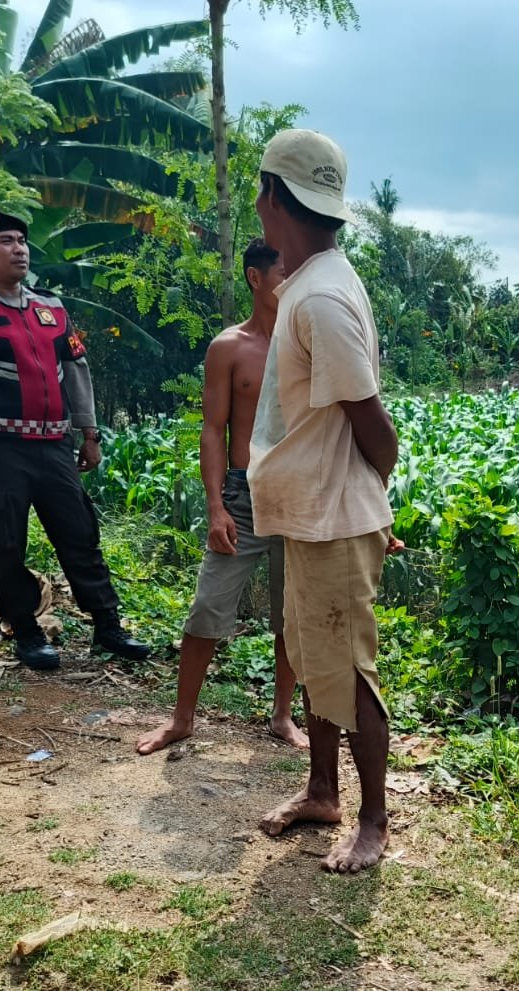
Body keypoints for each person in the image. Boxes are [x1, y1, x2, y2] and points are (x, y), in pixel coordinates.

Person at [246, 129, 400, 875]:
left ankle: (371, 820)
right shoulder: (308, 285)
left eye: (258, 189)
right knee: (313, 657)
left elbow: (375, 425)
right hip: (312, 515)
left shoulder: (325, 299)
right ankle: (321, 791)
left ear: (274, 196)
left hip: (335, 518)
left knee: (348, 668)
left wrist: (371, 500)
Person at [0, 207, 149, 670]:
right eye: (6, 241)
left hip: (53, 446)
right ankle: (27, 633)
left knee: (80, 534)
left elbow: (76, 370)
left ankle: (108, 626)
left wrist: (89, 432)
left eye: (21, 241)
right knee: (6, 542)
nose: (19, 250)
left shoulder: (52, 307)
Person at [136, 239, 309, 755]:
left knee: (292, 615)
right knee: (208, 608)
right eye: (283, 271)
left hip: (299, 496)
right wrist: (214, 505)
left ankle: (282, 714)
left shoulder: (308, 343)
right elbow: (213, 430)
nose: (292, 281)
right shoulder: (229, 347)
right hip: (242, 496)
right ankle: (181, 719)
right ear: (256, 278)